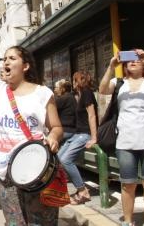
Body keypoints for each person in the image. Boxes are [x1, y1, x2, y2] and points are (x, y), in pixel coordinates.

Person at [0, 45, 63, 225]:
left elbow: (56, 126)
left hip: (36, 170)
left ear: (25, 66)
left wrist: (53, 138)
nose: (6, 62)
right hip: (4, 174)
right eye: (4, 59)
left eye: (11, 58)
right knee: (14, 223)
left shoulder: (43, 93)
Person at [99, 50, 144, 226]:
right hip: (125, 141)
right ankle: (128, 221)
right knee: (128, 184)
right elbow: (102, 89)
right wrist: (111, 67)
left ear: (143, 64)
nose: (133, 62)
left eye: (137, 59)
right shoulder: (118, 83)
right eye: (130, 59)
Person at [57, 71, 97, 205]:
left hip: (84, 134)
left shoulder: (87, 93)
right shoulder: (76, 95)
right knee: (59, 158)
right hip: (76, 134)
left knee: (66, 159)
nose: (73, 83)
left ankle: (82, 190)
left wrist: (93, 137)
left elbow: (92, 116)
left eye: (75, 80)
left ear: (80, 81)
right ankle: (73, 189)